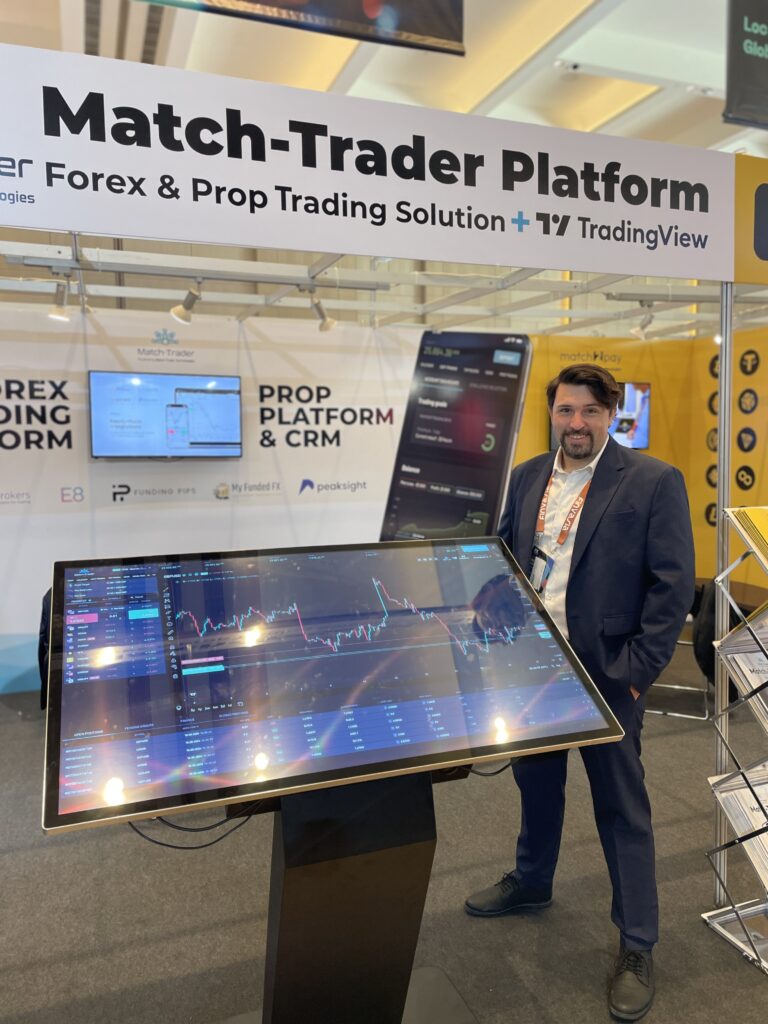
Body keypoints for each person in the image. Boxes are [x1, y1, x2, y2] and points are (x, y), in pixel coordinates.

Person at [464, 363, 695, 1022]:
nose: (577, 423)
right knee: (536, 785)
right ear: (552, 413)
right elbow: (505, 558)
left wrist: (637, 671)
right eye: (566, 410)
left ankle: (637, 943)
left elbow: (674, 584)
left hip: (607, 675)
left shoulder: (651, 480)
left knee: (621, 807)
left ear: (611, 415)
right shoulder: (527, 477)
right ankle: (533, 880)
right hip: (535, 667)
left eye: (591, 412)